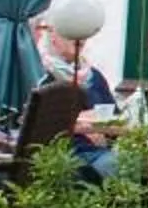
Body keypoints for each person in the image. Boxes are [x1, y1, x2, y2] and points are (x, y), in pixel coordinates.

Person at [34, 16, 121, 183]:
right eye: (70, 31)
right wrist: (80, 123)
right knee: (112, 166)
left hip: (97, 152)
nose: (79, 38)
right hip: (56, 155)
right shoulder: (40, 73)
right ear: (52, 35)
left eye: (82, 32)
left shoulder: (94, 77)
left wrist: (101, 126)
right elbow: (35, 123)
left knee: (127, 163)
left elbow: (115, 118)